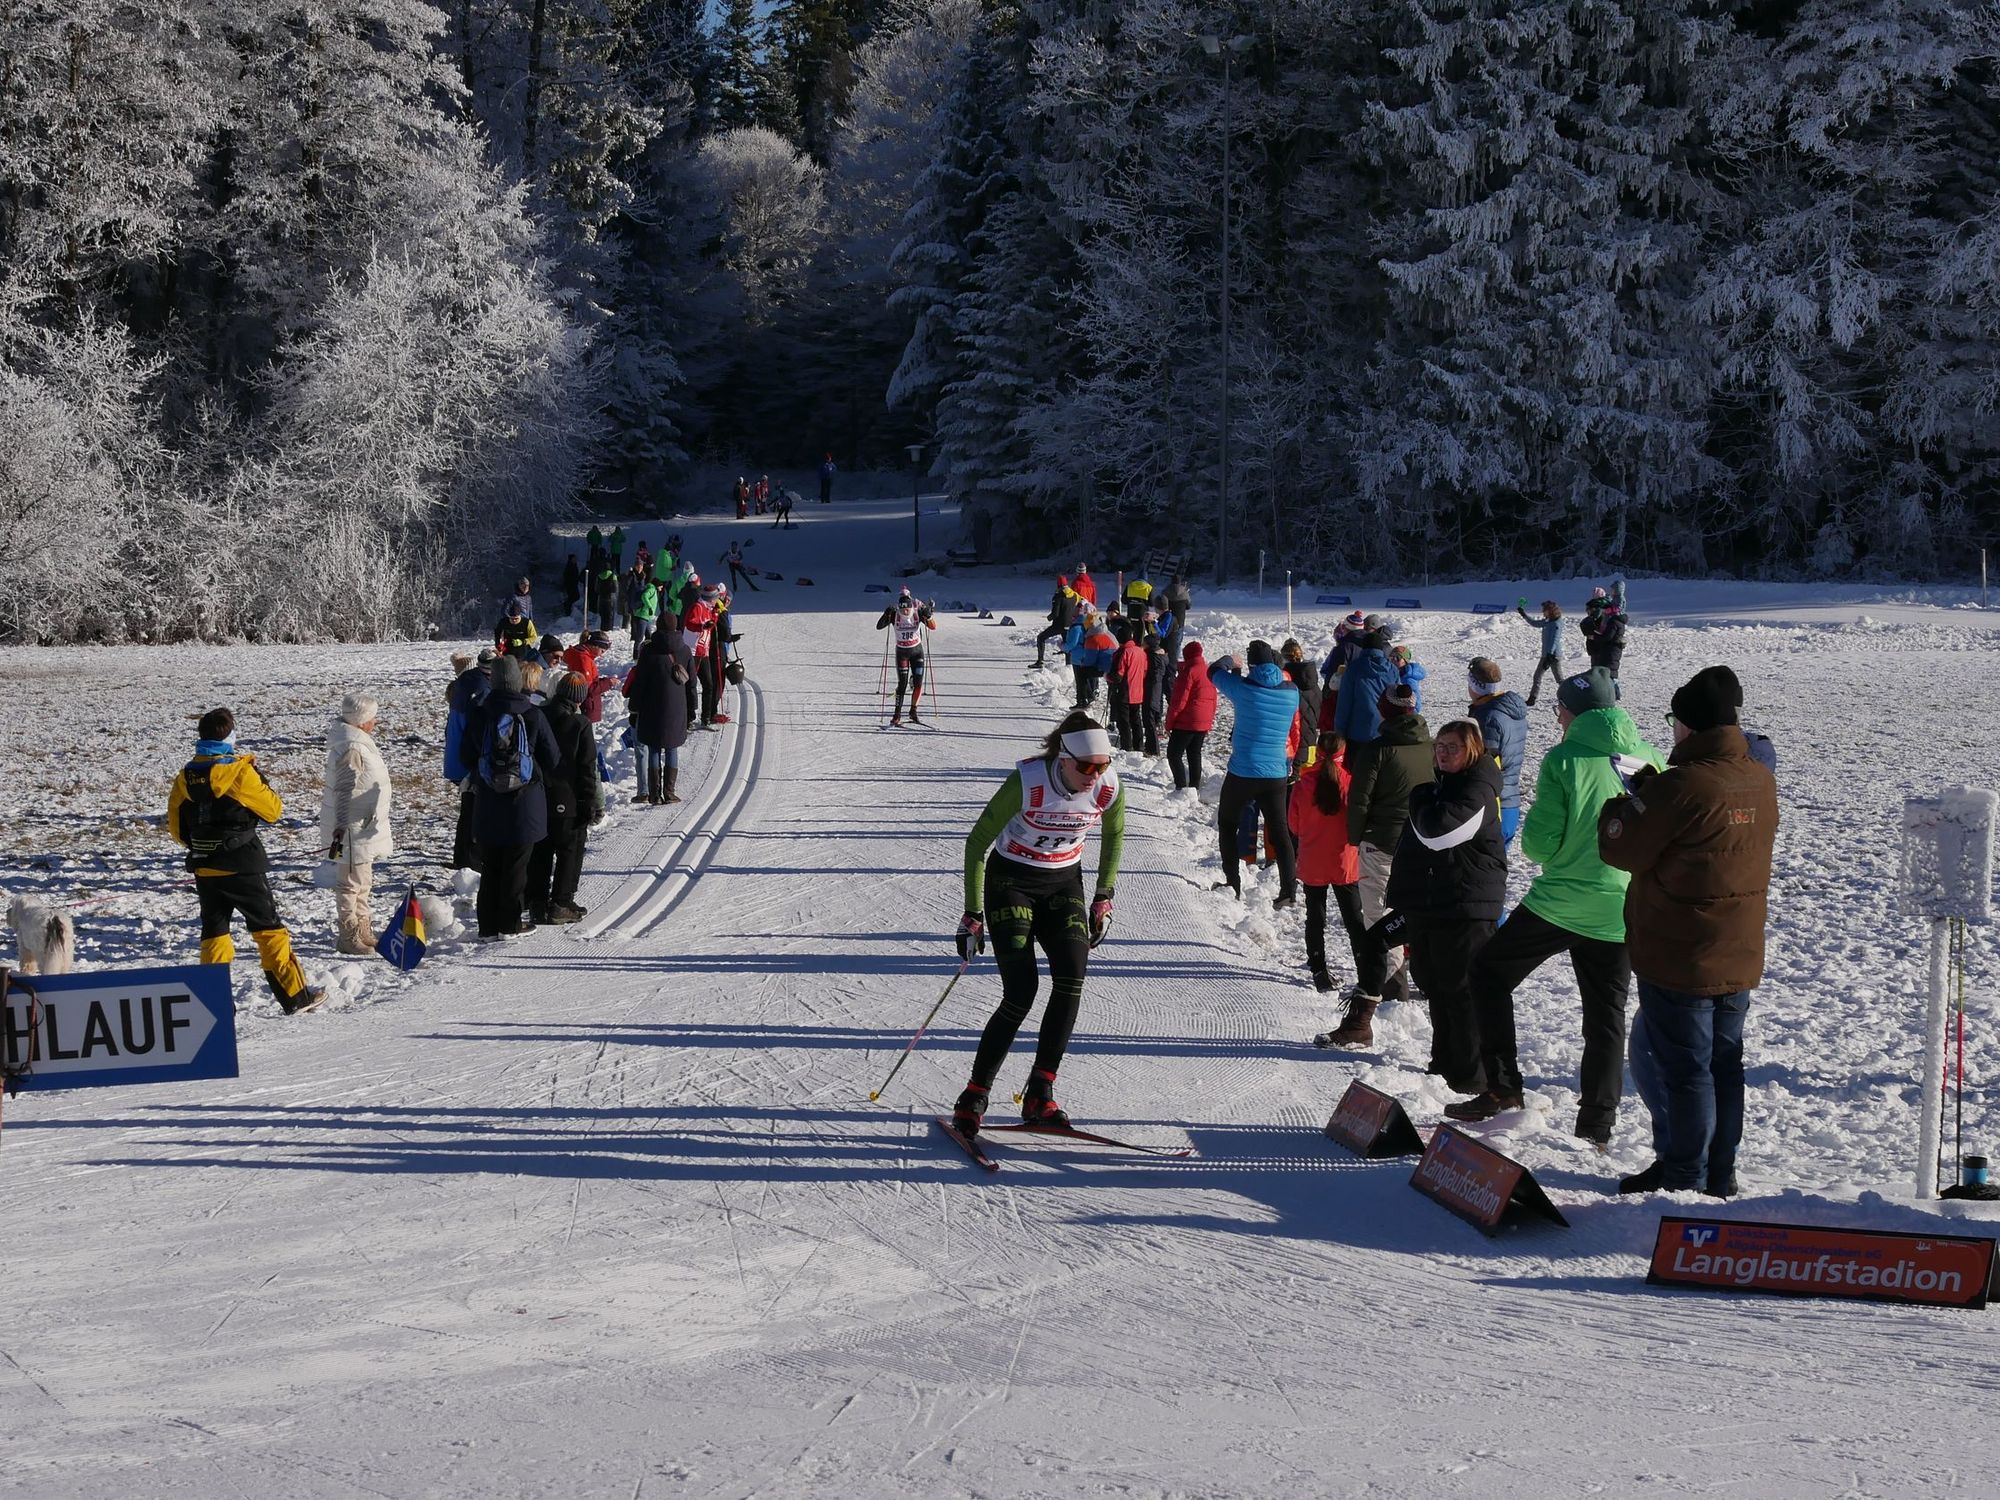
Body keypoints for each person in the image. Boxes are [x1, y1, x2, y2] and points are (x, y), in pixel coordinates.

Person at [1449, 667, 1663, 1143]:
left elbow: (1540, 846)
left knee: (1488, 973)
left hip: (1561, 901)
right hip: (1621, 908)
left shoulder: (1564, 760)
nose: (1558, 718)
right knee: (1606, 1017)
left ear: (1572, 711)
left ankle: (1503, 1089)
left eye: (1559, 709)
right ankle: (1597, 1125)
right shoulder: (1651, 757)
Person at [1601, 665, 1779, 1197]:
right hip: (1738, 949)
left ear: (1688, 725)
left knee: (1685, 1072)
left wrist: (1629, 801)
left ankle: (1684, 1177)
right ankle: (1717, 1176)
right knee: (1724, 1066)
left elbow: (1620, 847)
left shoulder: (1682, 784)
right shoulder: (1759, 776)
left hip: (1680, 953)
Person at [950, 711, 1126, 1134]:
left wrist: (1104, 896)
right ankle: (975, 1093)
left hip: (1063, 881)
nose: (1093, 775)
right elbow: (976, 843)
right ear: (1062, 757)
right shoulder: (1028, 782)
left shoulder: (1108, 785)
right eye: (1085, 766)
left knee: (1072, 977)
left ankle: (1040, 1093)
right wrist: (973, 912)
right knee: (1022, 990)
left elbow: (1115, 835)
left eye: (1101, 765)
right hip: (1011, 880)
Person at [167, 707, 324, 1012]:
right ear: (230, 737)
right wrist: (257, 776)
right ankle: (295, 996)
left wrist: (203, 843)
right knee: (269, 930)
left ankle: (213, 1003)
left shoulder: (185, 777)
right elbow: (273, 810)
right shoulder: (239, 772)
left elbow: (176, 827)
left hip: (205, 864)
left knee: (214, 933)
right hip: (242, 863)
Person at [1384, 719, 1506, 1090]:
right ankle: (1443, 1063)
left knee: (1462, 992)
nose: (1444, 752)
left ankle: (1471, 1078)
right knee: (1434, 984)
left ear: (1473, 750)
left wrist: (1420, 799)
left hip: (1465, 906)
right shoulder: (1441, 787)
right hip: (1433, 903)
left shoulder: (1478, 788)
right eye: (1440, 746)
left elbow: (1439, 833)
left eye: (1453, 747)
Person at [464, 655, 562, 938]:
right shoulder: (533, 714)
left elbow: (465, 756)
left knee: (491, 863)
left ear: (492, 681)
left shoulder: (479, 714)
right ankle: (510, 922)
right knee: (517, 865)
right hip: (525, 803)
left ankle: (487, 924)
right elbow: (552, 758)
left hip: (488, 801)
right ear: (519, 681)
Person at [1209, 640, 1301, 908]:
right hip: (1276, 773)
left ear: (1250, 665)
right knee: (1280, 832)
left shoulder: (1242, 688)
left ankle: (1233, 882)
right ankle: (1288, 891)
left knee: (1228, 824)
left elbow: (1212, 671)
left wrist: (1230, 662)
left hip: (1243, 771)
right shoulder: (1291, 692)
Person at [1290, 732, 1368, 1002]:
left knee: (1315, 916)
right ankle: (1364, 967)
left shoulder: (1302, 785)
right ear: (1343, 754)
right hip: (1344, 860)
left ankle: (1318, 969)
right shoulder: (1351, 784)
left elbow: (1294, 825)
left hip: (1313, 861)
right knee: (1354, 919)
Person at [318, 692, 393, 955]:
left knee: (364, 881)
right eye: (372, 717)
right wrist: (341, 827)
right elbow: (344, 790)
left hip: (362, 827)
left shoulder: (359, 742)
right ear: (361, 721)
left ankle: (363, 928)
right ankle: (348, 935)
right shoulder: (352, 748)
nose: (376, 721)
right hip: (350, 829)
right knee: (351, 883)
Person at [527, 672, 603, 925]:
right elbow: (587, 767)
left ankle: (537, 902)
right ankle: (561, 901)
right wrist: (589, 802)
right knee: (570, 851)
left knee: (541, 850)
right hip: (568, 796)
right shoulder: (580, 724)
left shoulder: (539, 715)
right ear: (578, 699)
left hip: (538, 795)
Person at [625, 619, 691, 804]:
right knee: (672, 749)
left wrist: (634, 706)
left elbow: (640, 682)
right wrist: (691, 709)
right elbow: (691, 683)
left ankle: (654, 794)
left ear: (658, 626)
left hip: (651, 707)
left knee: (654, 749)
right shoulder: (684, 650)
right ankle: (669, 792)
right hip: (676, 708)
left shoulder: (648, 650)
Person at [1466, 657, 1528, 844]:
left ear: (1475, 685)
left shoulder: (1488, 717)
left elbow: (1485, 765)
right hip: (1511, 799)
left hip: (1494, 805)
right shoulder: (1510, 710)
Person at [876, 587, 936, 725]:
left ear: (911, 607)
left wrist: (929, 615)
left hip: (917, 652)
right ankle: (896, 715)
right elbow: (879, 626)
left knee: (918, 684)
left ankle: (913, 710)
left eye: (907, 609)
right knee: (902, 685)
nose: (905, 612)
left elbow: (933, 627)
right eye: (902, 609)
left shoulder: (917, 613)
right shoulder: (895, 614)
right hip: (902, 653)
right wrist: (886, 615)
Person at [1333, 625, 1399, 745]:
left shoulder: (1354, 668)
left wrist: (1340, 733)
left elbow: (1344, 703)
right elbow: (1398, 700)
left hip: (1357, 733)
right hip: (1386, 731)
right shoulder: (1392, 670)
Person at [1164, 640, 1215, 792]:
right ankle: (1194, 786)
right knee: (1194, 753)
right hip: (1203, 720)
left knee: (1173, 754)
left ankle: (1180, 787)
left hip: (1187, 721)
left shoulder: (1189, 672)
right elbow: (1214, 698)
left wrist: (1169, 723)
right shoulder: (1207, 670)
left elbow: (1179, 700)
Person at [1517, 598, 1565, 705]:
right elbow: (1535, 623)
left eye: (1544, 610)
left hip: (1553, 656)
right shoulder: (1548, 621)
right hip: (1546, 655)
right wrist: (1524, 615)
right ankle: (1532, 698)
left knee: (1559, 679)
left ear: (1550, 611)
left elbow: (1555, 640)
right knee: (1538, 676)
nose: (1542, 612)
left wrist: (1549, 655)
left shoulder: (1556, 623)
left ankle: (1570, 695)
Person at [1109, 624, 1147, 752]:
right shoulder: (1140, 651)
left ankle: (1127, 746)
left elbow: (1119, 673)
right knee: (1136, 720)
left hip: (1125, 691)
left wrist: (1108, 677)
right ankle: (1139, 746)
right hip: (1138, 690)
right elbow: (1145, 670)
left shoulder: (1124, 652)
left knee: (1124, 721)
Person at [1034, 575, 1079, 669]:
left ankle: (1040, 661)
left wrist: (1049, 618)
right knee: (1067, 644)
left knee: (1041, 637)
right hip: (1069, 624)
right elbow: (1080, 603)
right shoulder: (1074, 595)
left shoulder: (1058, 596)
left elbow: (1055, 614)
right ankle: (1069, 665)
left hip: (1058, 625)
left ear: (1058, 585)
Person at [1583, 595, 1627, 678]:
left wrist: (1594, 637)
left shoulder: (1610, 621)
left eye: (1590, 610)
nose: (1588, 613)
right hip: (1599, 653)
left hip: (1607, 654)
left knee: (1608, 679)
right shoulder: (1599, 620)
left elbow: (1607, 637)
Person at [1391, 644, 1427, 711]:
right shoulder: (1395, 673)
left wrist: (1412, 712)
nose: (1394, 660)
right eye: (1391, 658)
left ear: (1405, 660)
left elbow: (1415, 701)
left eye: (1397, 658)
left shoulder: (1408, 679)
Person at [630, 569, 658, 648]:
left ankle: (647, 652)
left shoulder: (653, 590)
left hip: (647, 617)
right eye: (661, 586)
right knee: (639, 638)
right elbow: (644, 596)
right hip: (643, 615)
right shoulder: (651, 589)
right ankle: (636, 655)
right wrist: (649, 607)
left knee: (649, 636)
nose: (662, 587)